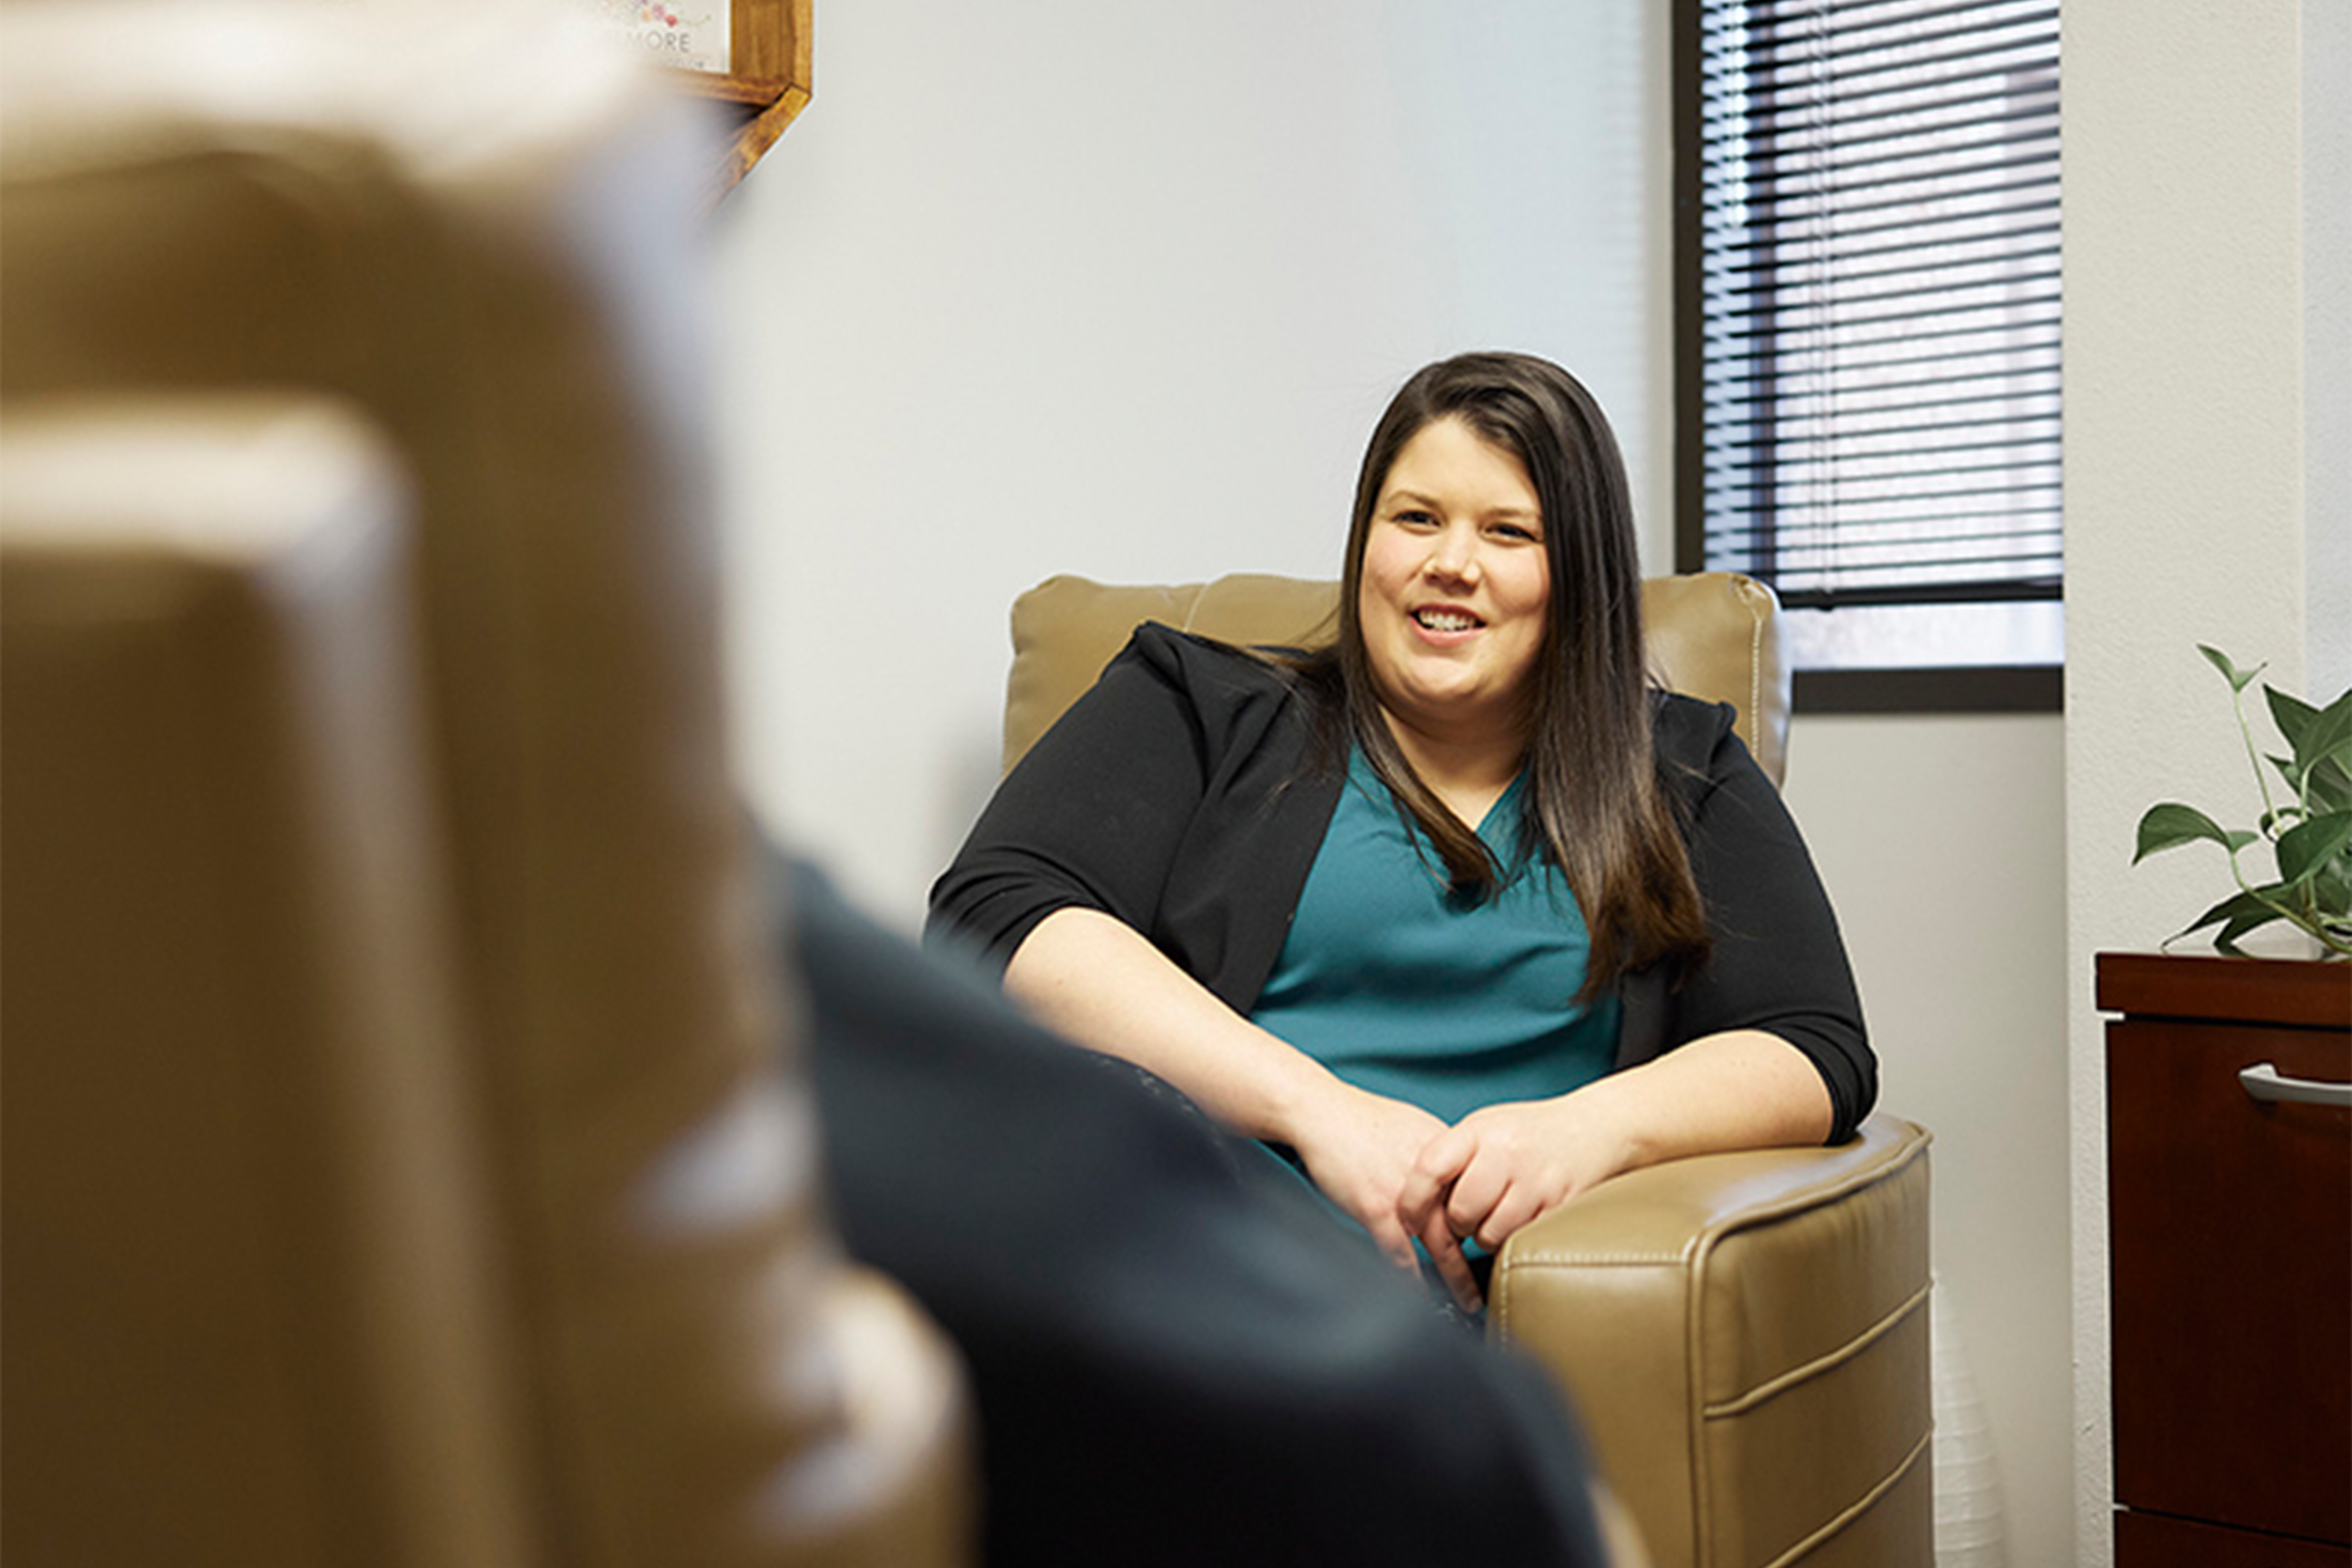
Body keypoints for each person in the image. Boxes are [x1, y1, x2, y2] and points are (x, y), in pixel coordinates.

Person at [928, 350, 1873, 1312]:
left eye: (1510, 532)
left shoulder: (1682, 769)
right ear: (1366, 539)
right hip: (1190, 1250)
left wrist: (1591, 1130)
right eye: (1415, 518)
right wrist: (1322, 1112)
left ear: (1577, 574)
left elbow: (1815, 1047)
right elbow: (996, 915)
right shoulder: (1198, 708)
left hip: (1462, 1314)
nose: (1450, 564)